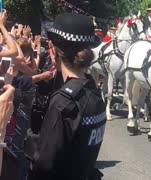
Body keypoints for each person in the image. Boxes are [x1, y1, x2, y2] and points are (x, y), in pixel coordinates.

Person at [24, 13, 106, 180]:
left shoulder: (63, 102)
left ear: (53, 50)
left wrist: (31, 139)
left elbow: (44, 163)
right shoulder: (93, 91)